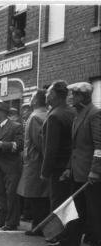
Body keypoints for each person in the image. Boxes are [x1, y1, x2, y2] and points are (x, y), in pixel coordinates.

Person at [49, 82, 101, 246]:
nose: (71, 98)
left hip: (90, 173)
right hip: (77, 171)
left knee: (94, 209)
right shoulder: (78, 115)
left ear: (83, 97)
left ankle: (97, 242)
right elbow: (75, 147)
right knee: (76, 208)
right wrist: (68, 168)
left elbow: (99, 146)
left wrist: (95, 170)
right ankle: (71, 240)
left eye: (75, 95)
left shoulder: (95, 114)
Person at [17, 89, 49, 236]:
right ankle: (39, 224)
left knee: (36, 196)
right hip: (37, 161)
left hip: (35, 162)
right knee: (39, 196)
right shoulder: (43, 114)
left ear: (36, 100)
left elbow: (39, 142)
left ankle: (38, 226)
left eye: (32, 97)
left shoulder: (36, 116)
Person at [40, 81, 76, 213]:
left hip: (58, 168)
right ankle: (69, 232)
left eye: (48, 92)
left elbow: (51, 148)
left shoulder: (54, 116)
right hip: (71, 166)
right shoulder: (72, 111)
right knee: (69, 204)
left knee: (57, 204)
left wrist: (45, 172)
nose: (46, 94)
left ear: (54, 95)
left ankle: (59, 234)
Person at [0, 100, 24, 231]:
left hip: (12, 166)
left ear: (2, 112)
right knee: (0, 194)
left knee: (11, 195)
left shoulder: (16, 126)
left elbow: (19, 145)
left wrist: (1, 145)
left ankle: (12, 221)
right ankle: (1, 219)